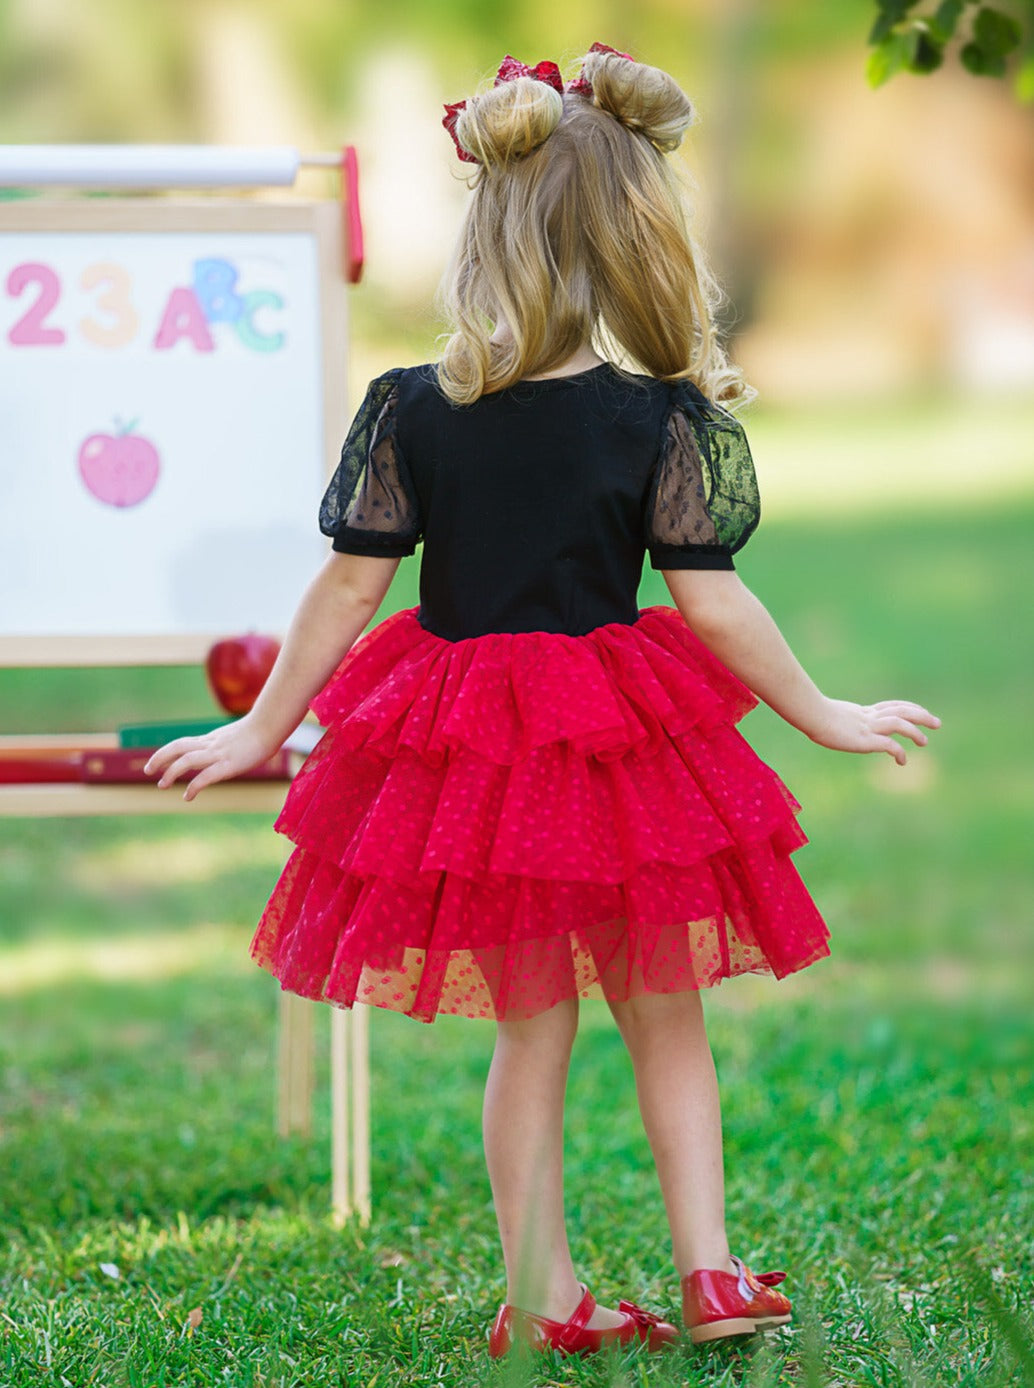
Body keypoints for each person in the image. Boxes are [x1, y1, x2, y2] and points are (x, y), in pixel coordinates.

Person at [145, 44, 940, 1358]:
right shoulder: (655, 419)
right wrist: (822, 712)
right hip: (619, 753)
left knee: (534, 1033)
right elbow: (714, 603)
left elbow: (347, 591)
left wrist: (263, 725)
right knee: (666, 1017)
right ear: (631, 241)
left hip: (483, 762)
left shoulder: (416, 411)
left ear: (485, 237)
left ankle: (543, 1298)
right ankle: (709, 1275)